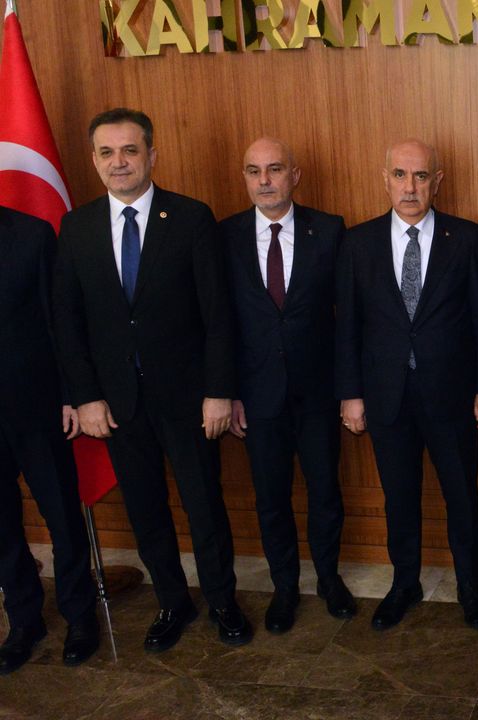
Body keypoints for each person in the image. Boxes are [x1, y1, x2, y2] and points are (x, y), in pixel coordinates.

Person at [53, 108, 246, 651]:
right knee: (145, 510)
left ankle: (222, 601)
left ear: (151, 155)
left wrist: (219, 391)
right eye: (107, 153)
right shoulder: (76, 227)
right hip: (118, 404)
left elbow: (218, 314)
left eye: (130, 150)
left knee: (204, 506)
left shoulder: (190, 218)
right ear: (95, 160)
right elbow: (67, 321)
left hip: (189, 400)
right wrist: (86, 397)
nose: (119, 162)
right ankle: (172, 602)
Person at [336, 139, 478, 630]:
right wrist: (351, 394)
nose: (410, 187)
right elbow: (347, 327)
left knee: (461, 495)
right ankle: (403, 583)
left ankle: (469, 586)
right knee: (399, 496)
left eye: (421, 176)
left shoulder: (465, 238)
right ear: (385, 179)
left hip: (452, 395)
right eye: (401, 175)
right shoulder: (358, 243)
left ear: (437, 181)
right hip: (386, 397)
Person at [220, 137, 354, 633]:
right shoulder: (225, 235)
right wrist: (230, 391)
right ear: (244, 178)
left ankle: (329, 580)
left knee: (325, 492)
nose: (264, 180)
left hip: (318, 393)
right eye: (253, 171)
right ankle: (284, 588)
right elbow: (219, 323)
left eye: (275, 169)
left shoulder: (330, 229)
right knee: (271, 498)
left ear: (294, 175)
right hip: (257, 398)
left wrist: (348, 388)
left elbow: (348, 319)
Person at [0, 207, 99, 674]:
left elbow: (57, 319)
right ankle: (24, 621)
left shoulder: (32, 234)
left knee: (62, 516)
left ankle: (80, 616)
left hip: (36, 407)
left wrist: (68, 395)